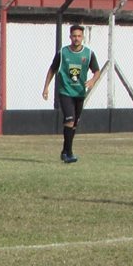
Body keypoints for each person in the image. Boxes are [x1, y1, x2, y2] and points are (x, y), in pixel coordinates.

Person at [41, 24, 102, 163]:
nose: (76, 38)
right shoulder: (63, 53)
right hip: (65, 91)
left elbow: (97, 71)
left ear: (83, 37)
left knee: (74, 123)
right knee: (69, 120)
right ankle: (68, 153)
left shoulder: (88, 54)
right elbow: (52, 70)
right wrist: (46, 88)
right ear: (70, 37)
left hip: (80, 93)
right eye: (74, 36)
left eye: (79, 36)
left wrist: (92, 81)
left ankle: (65, 151)